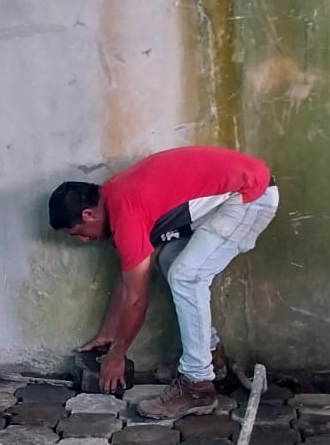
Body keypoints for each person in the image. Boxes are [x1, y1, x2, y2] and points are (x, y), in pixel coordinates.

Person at [47, 144, 279, 420]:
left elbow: (136, 300)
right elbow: (127, 276)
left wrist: (117, 356)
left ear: (88, 214)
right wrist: (109, 334)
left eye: (78, 233)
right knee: (170, 259)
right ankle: (209, 357)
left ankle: (197, 386)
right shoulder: (117, 196)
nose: (84, 241)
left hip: (250, 195)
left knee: (186, 277)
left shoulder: (126, 212)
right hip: (235, 193)